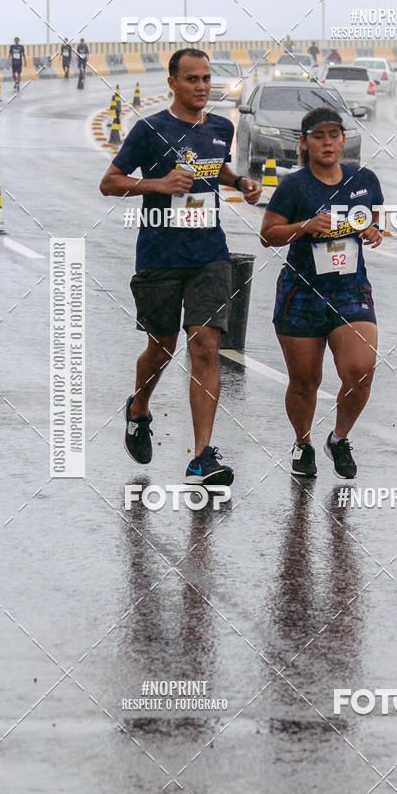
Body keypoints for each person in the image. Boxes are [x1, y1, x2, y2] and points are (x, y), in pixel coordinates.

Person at [99, 48, 262, 485]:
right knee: (163, 347)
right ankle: (139, 407)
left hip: (210, 254)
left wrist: (239, 181)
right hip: (159, 257)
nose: (202, 86)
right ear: (173, 82)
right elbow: (109, 182)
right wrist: (158, 183)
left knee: (205, 346)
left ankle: (202, 456)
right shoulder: (150, 129)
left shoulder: (220, 127)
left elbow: (214, 169)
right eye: (192, 79)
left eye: (207, 78)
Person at [260, 106, 383, 480]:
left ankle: (339, 438)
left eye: (333, 135)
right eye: (318, 136)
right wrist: (306, 225)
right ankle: (303, 442)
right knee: (305, 381)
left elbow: (374, 218)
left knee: (360, 370)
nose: (327, 142)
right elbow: (268, 235)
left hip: (350, 289)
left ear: (343, 139)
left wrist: (375, 231)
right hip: (302, 291)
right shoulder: (294, 186)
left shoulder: (364, 179)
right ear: (305, 142)